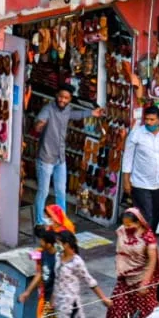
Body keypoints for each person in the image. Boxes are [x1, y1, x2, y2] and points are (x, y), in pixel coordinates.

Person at [32, 88, 102, 227]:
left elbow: (76, 114)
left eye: (66, 98)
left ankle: (61, 219)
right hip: (46, 156)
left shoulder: (67, 109)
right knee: (43, 191)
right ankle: (39, 220)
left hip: (60, 157)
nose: (62, 100)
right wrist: (39, 124)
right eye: (61, 97)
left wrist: (92, 113)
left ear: (70, 99)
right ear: (56, 96)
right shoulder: (48, 108)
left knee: (61, 190)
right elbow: (39, 122)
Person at [51, 231, 111, 318]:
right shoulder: (58, 256)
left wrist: (103, 298)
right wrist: (52, 300)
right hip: (59, 302)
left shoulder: (76, 262)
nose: (57, 245)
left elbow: (90, 281)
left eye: (59, 243)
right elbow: (57, 279)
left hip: (69, 304)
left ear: (67, 244)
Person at [105, 208, 159, 318]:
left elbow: (152, 261)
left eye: (130, 225)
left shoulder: (148, 238)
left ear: (139, 223)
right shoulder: (122, 231)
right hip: (125, 279)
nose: (126, 227)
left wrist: (145, 283)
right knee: (117, 309)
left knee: (142, 313)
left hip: (142, 280)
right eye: (125, 224)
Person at [18, 226, 57, 318]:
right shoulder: (44, 253)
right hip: (45, 295)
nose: (40, 243)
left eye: (42, 241)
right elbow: (39, 274)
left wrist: (51, 304)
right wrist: (27, 292)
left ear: (49, 243)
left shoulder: (57, 259)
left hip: (54, 297)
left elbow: (58, 284)